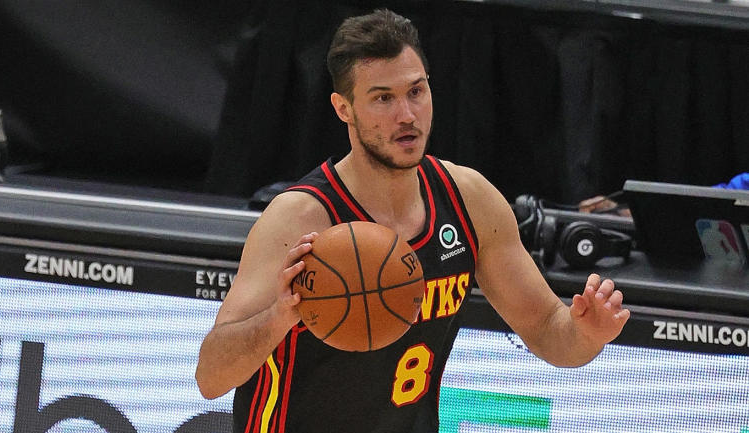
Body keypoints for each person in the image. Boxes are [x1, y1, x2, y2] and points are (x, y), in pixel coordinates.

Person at [196, 9, 630, 433]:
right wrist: (280, 316)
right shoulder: (301, 218)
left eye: (416, 91)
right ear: (343, 108)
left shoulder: (469, 200)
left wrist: (586, 333)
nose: (406, 114)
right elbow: (210, 378)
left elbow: (549, 332)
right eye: (383, 98)